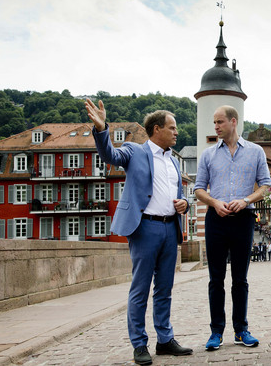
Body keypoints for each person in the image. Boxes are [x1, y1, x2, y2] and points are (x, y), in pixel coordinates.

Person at [85, 99, 193, 365]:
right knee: (140, 289)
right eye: (172, 127)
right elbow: (110, 155)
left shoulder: (173, 161)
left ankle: (165, 340)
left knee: (164, 289)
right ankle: (139, 344)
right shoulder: (134, 151)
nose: (176, 132)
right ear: (157, 129)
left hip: (170, 228)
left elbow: (177, 195)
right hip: (145, 228)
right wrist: (101, 130)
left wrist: (185, 203)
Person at [194, 105, 271, 351]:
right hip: (215, 219)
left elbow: (266, 186)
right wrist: (214, 202)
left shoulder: (256, 152)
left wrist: (247, 200)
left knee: (240, 279)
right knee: (215, 279)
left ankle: (241, 330)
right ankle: (216, 332)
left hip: (243, 219)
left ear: (233, 122)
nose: (215, 126)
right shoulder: (208, 154)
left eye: (219, 122)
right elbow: (198, 189)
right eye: (214, 122)